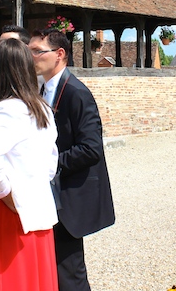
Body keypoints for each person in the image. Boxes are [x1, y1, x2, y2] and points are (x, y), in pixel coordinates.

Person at [29, 28, 115, 291]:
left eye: (36, 51)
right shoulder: (42, 90)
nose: (30, 57)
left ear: (60, 54)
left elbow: (91, 149)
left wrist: (49, 165)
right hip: (49, 195)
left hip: (69, 196)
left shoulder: (76, 92)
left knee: (69, 275)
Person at [0, 38, 59, 290]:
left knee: (10, 279)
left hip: (9, 208)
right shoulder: (42, 108)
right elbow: (51, 161)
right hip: (38, 202)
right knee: (37, 278)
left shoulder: (4, 110)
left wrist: (5, 194)